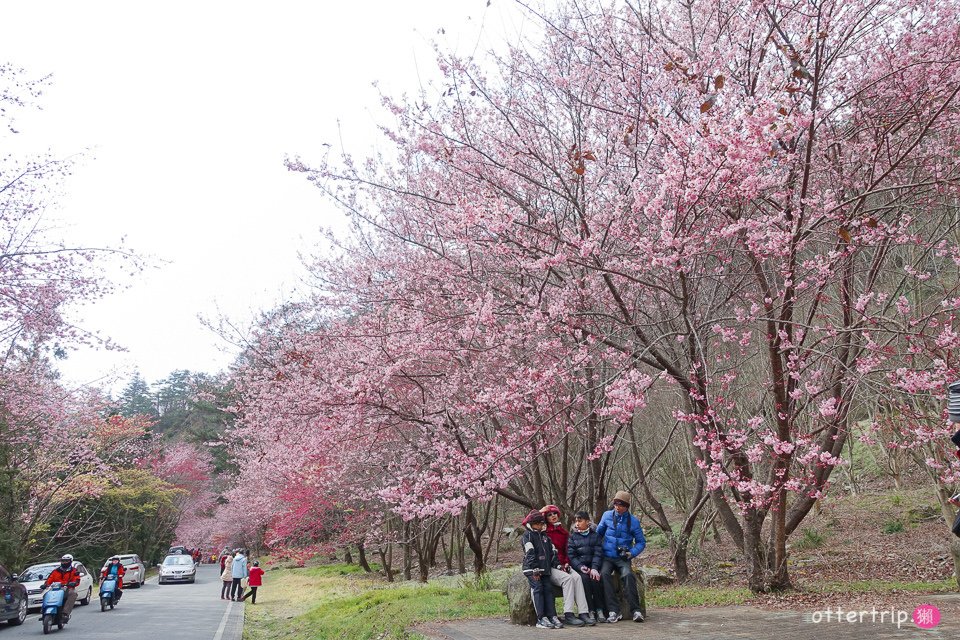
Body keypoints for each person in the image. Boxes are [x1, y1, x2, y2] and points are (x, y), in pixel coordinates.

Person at [595, 491, 646, 623]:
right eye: (615, 503)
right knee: (604, 574)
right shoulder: (607, 516)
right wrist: (598, 550)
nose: (617, 507)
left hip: (623, 558)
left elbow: (641, 542)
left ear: (627, 506)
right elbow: (598, 534)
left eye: (621, 504)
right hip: (607, 556)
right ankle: (613, 611)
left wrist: (631, 553)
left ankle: (636, 610)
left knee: (628, 575)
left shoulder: (633, 522)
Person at [539, 504, 588, 627]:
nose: (553, 516)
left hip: (563, 565)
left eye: (554, 513)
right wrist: (541, 511)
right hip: (550, 568)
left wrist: (566, 563)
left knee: (577, 577)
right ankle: (569, 614)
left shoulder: (563, 532)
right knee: (568, 579)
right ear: (546, 518)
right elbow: (527, 522)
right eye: (549, 515)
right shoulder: (543, 533)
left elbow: (567, 551)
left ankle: (583, 612)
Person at [520, 510, 564, 629]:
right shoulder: (527, 536)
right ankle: (541, 618)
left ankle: (552, 616)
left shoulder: (545, 536)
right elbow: (530, 553)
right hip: (531, 569)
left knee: (548, 589)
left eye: (541, 523)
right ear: (532, 523)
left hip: (545, 569)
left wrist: (558, 565)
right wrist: (534, 568)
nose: (540, 526)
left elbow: (553, 552)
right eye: (538, 524)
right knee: (538, 588)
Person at [567, 511, 606, 624]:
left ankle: (599, 609)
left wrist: (594, 568)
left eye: (580, 521)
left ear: (587, 521)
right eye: (576, 521)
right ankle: (590, 610)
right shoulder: (573, 537)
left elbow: (598, 553)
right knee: (584, 580)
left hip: (593, 567)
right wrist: (580, 566)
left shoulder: (595, 535)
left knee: (595, 579)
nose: (577, 524)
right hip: (581, 568)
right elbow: (571, 556)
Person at [44, 554, 80, 622]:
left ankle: (65, 613)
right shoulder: (56, 571)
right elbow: (50, 579)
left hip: (68, 588)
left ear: (70, 561)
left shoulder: (74, 571)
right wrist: (46, 584)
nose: (64, 562)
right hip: (56, 589)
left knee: (73, 594)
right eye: (63, 561)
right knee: (46, 593)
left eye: (66, 561)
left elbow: (77, 579)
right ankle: (44, 609)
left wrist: (74, 583)